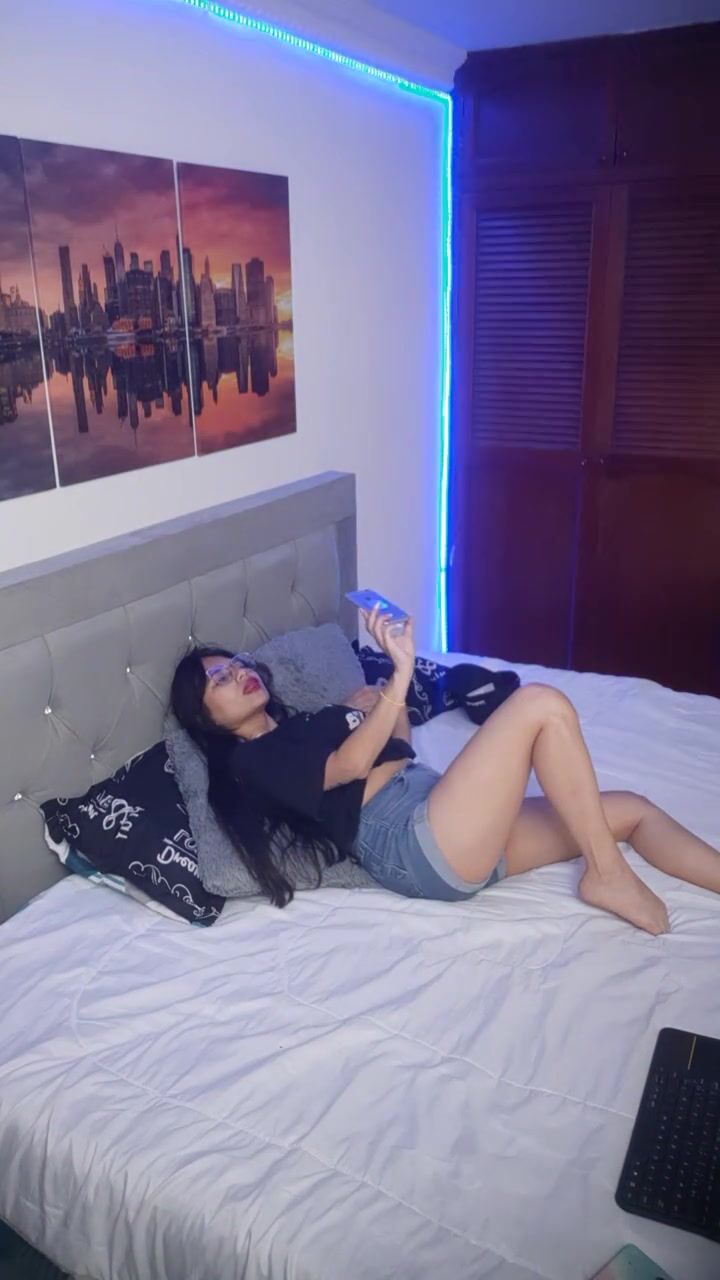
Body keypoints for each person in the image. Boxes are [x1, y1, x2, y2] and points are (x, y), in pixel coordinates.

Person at [171, 607, 720, 933]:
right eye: (219, 680)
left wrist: (388, 694)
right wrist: (397, 678)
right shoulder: (253, 760)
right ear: (206, 718)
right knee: (540, 704)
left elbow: (398, 749)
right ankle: (606, 875)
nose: (238, 673)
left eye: (236, 664)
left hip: (434, 811)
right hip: (410, 839)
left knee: (630, 811)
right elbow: (353, 765)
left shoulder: (305, 724)